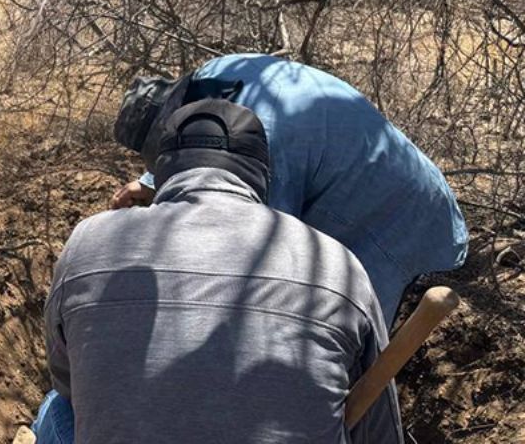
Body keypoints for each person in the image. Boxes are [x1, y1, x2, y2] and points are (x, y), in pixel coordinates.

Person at [37, 98, 404, 444]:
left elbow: (68, 378)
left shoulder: (90, 239)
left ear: (161, 171)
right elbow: (379, 429)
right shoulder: (334, 262)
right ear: (261, 175)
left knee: (55, 410)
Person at [112, 53, 467, 321]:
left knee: (349, 343)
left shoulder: (264, 150)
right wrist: (149, 182)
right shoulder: (215, 76)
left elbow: (262, 256)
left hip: (398, 227)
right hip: (384, 185)